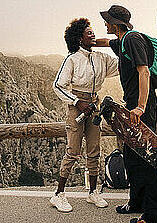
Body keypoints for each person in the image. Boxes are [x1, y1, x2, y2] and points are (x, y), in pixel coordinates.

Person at [97, 5, 157, 223]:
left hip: (140, 108)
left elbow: (143, 71)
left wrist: (140, 106)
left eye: (108, 20)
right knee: (131, 157)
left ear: (116, 23)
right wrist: (85, 41)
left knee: (146, 160)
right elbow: (106, 42)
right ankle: (137, 202)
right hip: (132, 107)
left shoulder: (132, 40)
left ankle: (154, 216)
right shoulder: (122, 41)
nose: (105, 23)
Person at [50, 18, 118, 213]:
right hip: (77, 106)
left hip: (94, 105)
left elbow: (121, 65)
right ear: (80, 38)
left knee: (94, 149)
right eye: (89, 33)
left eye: (93, 32)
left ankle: (93, 192)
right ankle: (59, 194)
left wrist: (121, 45)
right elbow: (58, 85)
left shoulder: (101, 58)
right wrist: (77, 102)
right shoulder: (71, 59)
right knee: (72, 150)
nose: (93, 35)